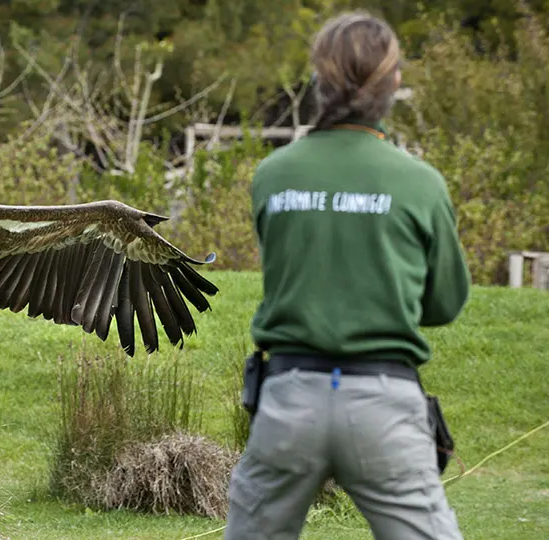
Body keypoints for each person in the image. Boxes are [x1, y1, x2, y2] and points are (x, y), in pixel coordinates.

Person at [223, 10, 471, 540]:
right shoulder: (421, 183)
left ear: (318, 81)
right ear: (394, 82)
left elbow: (291, 271)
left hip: (288, 399)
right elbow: (446, 303)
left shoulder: (274, 174)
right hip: (384, 404)